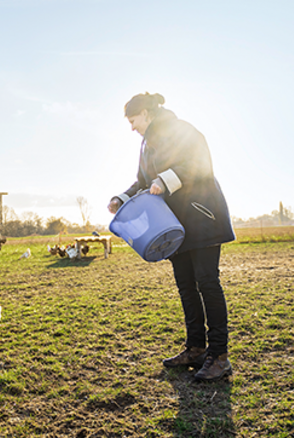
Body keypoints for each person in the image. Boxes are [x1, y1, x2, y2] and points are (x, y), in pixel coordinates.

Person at [108, 92, 236, 381]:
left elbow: (200, 164)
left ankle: (219, 355)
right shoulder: (146, 145)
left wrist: (165, 180)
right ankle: (196, 348)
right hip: (172, 223)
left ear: (147, 113)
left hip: (202, 216)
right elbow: (143, 181)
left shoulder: (182, 130)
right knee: (186, 286)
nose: (131, 127)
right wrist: (122, 197)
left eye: (133, 120)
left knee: (207, 283)